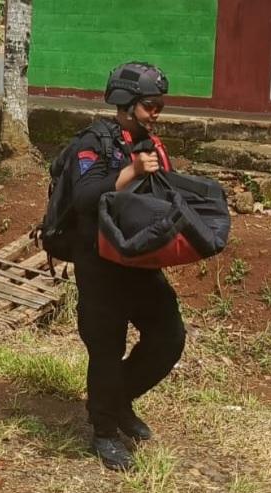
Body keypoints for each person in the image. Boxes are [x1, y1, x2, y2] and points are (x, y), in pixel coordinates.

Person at [70, 62, 185, 471]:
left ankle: (116, 400)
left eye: (159, 107)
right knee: (106, 347)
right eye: (150, 106)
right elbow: (84, 197)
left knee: (169, 336)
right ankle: (103, 430)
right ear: (126, 103)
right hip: (99, 263)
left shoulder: (151, 143)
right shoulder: (93, 142)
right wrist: (131, 171)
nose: (157, 113)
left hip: (138, 258)